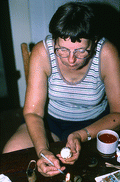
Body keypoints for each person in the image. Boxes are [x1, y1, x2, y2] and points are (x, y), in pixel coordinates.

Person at [3, 1, 120, 177]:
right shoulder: (43, 52)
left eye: (81, 51)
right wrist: (42, 151)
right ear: (54, 40)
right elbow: (33, 113)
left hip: (93, 125)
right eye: (63, 50)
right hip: (50, 123)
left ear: (94, 42)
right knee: (10, 157)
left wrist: (82, 134)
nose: (71, 60)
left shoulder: (107, 53)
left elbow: (118, 112)